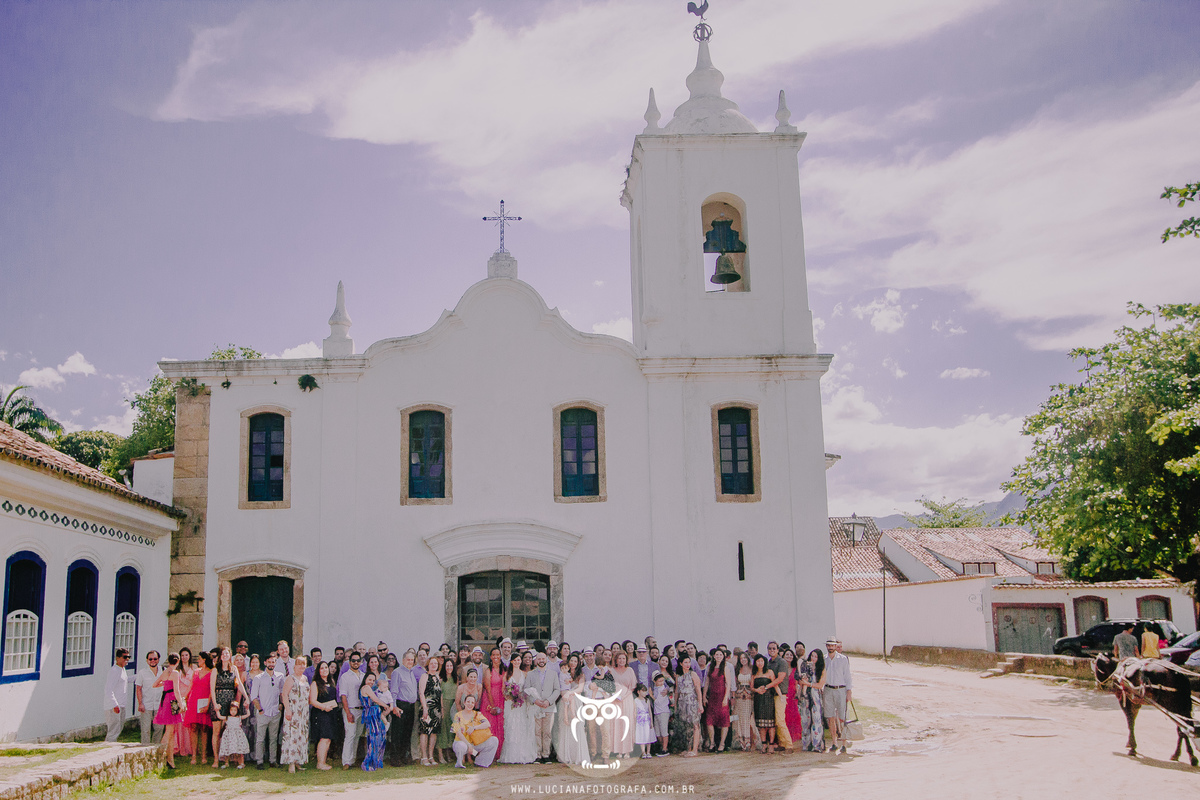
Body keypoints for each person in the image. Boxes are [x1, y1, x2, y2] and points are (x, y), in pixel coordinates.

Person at [210, 646, 247, 770]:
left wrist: (246, 697)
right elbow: (212, 688)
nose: (225, 655)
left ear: (230, 655)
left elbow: (240, 685)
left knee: (231, 730)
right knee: (216, 732)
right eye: (223, 653)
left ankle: (232, 757)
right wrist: (215, 704)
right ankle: (216, 759)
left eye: (227, 653)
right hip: (219, 701)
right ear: (220, 656)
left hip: (230, 702)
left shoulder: (234, 668)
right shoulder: (215, 670)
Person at [499, 649, 537, 764]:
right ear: (511, 662)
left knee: (522, 727)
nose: (516, 662)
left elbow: (527, 688)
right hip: (511, 704)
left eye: (518, 660)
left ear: (521, 661)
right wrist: (510, 696)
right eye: (514, 660)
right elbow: (503, 690)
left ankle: (522, 754)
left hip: (521, 703)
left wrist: (521, 695)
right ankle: (511, 755)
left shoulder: (524, 674)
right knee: (511, 727)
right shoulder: (507, 674)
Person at [524, 650, 561, 764]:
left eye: (543, 659)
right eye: (539, 659)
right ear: (536, 661)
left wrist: (548, 701)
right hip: (536, 707)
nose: (541, 661)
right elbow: (526, 691)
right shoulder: (530, 674)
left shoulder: (553, 674)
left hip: (548, 707)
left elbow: (557, 690)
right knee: (537, 731)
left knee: (547, 732)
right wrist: (535, 701)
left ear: (546, 660)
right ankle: (537, 754)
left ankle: (546, 754)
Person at [388, 649, 421, 766]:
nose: (410, 662)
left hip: (411, 707)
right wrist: (395, 707)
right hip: (401, 706)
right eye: (408, 659)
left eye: (412, 660)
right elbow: (394, 691)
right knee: (398, 733)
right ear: (403, 660)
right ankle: (395, 759)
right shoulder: (397, 672)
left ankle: (403, 757)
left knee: (407, 733)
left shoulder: (411, 672)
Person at [252, 654, 283, 769]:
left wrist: (280, 705)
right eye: (269, 662)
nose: (271, 664)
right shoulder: (258, 678)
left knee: (273, 738)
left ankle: (273, 760)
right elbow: (254, 696)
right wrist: (260, 709)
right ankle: (259, 761)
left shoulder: (280, 676)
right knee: (260, 738)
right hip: (263, 712)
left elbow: (281, 692)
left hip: (275, 712)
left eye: (273, 662)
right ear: (265, 663)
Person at [452, 693, 499, 768]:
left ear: (474, 704)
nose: (470, 704)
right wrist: (468, 744)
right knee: (460, 746)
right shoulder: (458, 715)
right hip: (463, 744)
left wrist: (474, 727)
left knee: (494, 740)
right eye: (468, 702)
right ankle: (459, 763)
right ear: (464, 703)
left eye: (472, 702)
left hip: (475, 744)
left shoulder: (477, 714)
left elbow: (487, 724)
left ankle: (481, 762)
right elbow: (458, 733)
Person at [153, 653, 183, 768]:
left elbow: (154, 685)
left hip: (164, 700)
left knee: (170, 731)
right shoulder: (175, 673)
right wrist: (181, 705)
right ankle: (160, 754)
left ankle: (170, 760)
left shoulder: (164, 672)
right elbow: (177, 691)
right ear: (178, 661)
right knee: (169, 731)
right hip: (172, 701)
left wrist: (165, 684)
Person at [281, 656, 310, 772]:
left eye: (303, 664)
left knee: (301, 735)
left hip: (303, 712)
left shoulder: (305, 678)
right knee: (292, 736)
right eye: (299, 664)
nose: (301, 667)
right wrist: (288, 710)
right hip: (293, 710)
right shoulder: (290, 678)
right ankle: (291, 763)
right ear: (294, 666)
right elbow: (284, 695)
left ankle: (299, 761)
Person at [823, 638, 852, 754]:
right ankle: (834, 742)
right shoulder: (824, 659)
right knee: (830, 717)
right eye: (828, 645)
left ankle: (844, 743)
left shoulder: (843, 659)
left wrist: (849, 691)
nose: (830, 647)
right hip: (828, 689)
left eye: (832, 645)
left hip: (841, 689)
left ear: (836, 646)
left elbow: (848, 676)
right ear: (826, 646)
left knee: (842, 717)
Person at [309, 660, 339, 770]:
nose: (324, 670)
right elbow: (312, 701)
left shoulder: (331, 681)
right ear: (318, 670)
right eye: (322, 668)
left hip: (331, 713)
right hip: (320, 714)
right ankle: (320, 763)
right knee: (323, 738)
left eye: (326, 667)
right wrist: (324, 707)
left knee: (328, 738)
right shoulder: (315, 683)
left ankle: (324, 761)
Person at [185, 651, 214, 764]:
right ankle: (193, 755)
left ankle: (203, 756)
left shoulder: (212, 672)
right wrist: (184, 698)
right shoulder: (196, 672)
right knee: (193, 727)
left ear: (205, 660)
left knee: (204, 728)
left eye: (200, 659)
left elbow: (211, 689)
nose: (198, 660)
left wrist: (208, 703)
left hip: (204, 701)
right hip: (193, 701)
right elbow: (190, 685)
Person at [339, 650, 365, 769]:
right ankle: (346, 761)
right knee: (350, 735)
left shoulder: (364, 676)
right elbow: (343, 695)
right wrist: (348, 712)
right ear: (349, 662)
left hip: (362, 709)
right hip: (351, 709)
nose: (355, 662)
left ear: (361, 662)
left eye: (357, 660)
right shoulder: (345, 677)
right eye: (353, 660)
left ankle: (353, 759)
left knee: (358, 735)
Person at [703, 647, 731, 753]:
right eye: (717, 654)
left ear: (723, 656)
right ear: (714, 656)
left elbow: (728, 684)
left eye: (720, 654)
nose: (718, 656)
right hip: (712, 697)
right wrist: (704, 696)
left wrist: (725, 698)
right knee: (709, 721)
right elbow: (706, 683)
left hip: (722, 697)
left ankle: (722, 743)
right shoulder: (710, 667)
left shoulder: (726, 668)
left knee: (724, 721)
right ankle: (712, 743)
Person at [673, 655, 702, 757]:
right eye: (685, 662)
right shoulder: (678, 676)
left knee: (695, 725)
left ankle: (695, 749)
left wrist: (700, 704)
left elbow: (698, 690)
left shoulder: (693, 674)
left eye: (689, 662)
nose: (687, 664)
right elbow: (677, 691)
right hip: (682, 703)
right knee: (686, 726)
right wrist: (675, 704)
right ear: (681, 663)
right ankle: (688, 748)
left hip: (692, 702)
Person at [417, 655, 444, 766]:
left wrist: (442, 709)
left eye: (436, 663)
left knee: (434, 732)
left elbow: (440, 694)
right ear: (428, 664)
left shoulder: (438, 677)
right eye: (432, 663)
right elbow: (421, 693)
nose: (434, 665)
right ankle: (424, 757)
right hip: (427, 707)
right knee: (425, 731)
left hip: (436, 709)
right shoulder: (424, 676)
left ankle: (431, 756)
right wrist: (424, 708)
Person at [482, 647, 509, 755]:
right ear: (491, 657)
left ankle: (500, 752)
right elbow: (488, 689)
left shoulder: (505, 670)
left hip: (501, 698)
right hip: (490, 699)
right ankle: (489, 753)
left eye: (498, 654)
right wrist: (493, 706)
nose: (496, 657)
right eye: (493, 655)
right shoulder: (488, 670)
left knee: (501, 725)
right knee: (491, 726)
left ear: (500, 656)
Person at [134, 650, 163, 745]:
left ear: (158, 659)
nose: (153, 661)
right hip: (146, 704)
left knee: (159, 728)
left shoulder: (163, 671)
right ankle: (144, 749)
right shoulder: (142, 673)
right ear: (147, 660)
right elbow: (138, 688)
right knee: (146, 729)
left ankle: (155, 749)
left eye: (155, 659)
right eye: (150, 659)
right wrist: (140, 703)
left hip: (159, 705)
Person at [799, 647, 825, 752]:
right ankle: (806, 743)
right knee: (805, 720)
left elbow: (820, 685)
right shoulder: (805, 667)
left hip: (816, 695)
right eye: (812, 656)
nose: (814, 658)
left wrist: (809, 684)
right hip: (806, 696)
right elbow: (801, 680)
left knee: (817, 719)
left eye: (816, 656)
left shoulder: (821, 669)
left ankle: (817, 744)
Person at [359, 672, 387, 771]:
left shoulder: (370, 688)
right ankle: (367, 763)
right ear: (365, 679)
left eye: (373, 680)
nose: (371, 682)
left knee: (380, 737)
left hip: (376, 714)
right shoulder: (366, 688)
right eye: (369, 679)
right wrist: (386, 706)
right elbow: (376, 699)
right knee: (374, 738)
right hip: (371, 715)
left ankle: (376, 761)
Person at [751, 653, 777, 753]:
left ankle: (771, 744)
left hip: (769, 699)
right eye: (758, 661)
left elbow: (775, 684)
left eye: (762, 661)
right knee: (761, 725)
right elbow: (751, 687)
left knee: (770, 724)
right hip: (759, 700)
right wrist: (757, 690)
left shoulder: (769, 672)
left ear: (764, 662)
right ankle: (764, 744)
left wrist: (782, 697)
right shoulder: (754, 674)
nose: (760, 663)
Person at [437, 657, 459, 764]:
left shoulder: (456, 679)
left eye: (451, 665)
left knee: (452, 729)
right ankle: (441, 755)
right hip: (444, 704)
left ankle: (450, 754)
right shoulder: (441, 679)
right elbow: (440, 694)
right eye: (447, 666)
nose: (449, 668)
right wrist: (441, 708)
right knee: (443, 730)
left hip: (453, 705)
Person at [174, 648, 195, 758]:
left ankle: (188, 747)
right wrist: (180, 698)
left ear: (190, 656)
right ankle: (178, 747)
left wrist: (186, 697)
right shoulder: (177, 669)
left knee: (188, 724)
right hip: (179, 697)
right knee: (179, 723)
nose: (184, 657)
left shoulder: (194, 668)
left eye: (186, 655)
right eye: (182, 655)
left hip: (189, 697)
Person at [218, 699, 251, 769]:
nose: (233, 712)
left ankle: (241, 763)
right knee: (227, 749)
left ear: (237, 711)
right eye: (231, 710)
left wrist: (247, 708)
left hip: (237, 736)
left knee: (239, 750)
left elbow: (248, 714)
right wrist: (217, 710)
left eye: (235, 710)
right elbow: (219, 716)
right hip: (229, 736)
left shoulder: (239, 717)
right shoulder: (227, 718)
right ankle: (226, 763)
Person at [732, 651, 754, 751]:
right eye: (741, 658)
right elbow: (735, 683)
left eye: (745, 658)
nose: (743, 660)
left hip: (749, 697)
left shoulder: (752, 669)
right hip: (739, 697)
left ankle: (749, 741)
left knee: (748, 718)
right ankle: (741, 741)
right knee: (739, 718)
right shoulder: (737, 669)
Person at [783, 646, 804, 745]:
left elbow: (799, 682)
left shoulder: (796, 669)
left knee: (794, 715)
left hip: (792, 694)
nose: (789, 656)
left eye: (791, 655)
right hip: (782, 695)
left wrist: (798, 693)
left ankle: (794, 737)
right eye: (787, 654)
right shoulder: (781, 669)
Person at [651, 672, 671, 757]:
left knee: (663, 730)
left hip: (663, 711)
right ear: (655, 681)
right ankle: (661, 746)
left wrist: (651, 696)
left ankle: (665, 748)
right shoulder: (655, 688)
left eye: (662, 680)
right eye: (659, 681)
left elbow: (658, 702)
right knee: (658, 732)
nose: (661, 683)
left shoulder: (663, 689)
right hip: (657, 712)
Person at [634, 683, 655, 758]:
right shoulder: (636, 700)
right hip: (640, 721)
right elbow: (635, 712)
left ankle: (648, 752)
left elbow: (650, 711)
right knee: (641, 736)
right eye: (643, 691)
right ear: (638, 692)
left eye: (645, 691)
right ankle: (643, 752)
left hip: (647, 719)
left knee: (648, 735)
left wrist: (651, 722)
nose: (644, 693)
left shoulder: (647, 700)